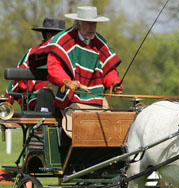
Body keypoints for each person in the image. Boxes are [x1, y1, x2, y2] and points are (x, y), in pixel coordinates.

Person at [29, 6, 123, 138]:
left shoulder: (100, 43)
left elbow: (108, 69)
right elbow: (54, 66)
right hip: (64, 89)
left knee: (109, 126)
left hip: (94, 93)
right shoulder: (63, 39)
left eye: (94, 23)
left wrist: (114, 83)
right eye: (88, 24)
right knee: (81, 124)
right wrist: (66, 81)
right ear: (78, 24)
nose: (92, 27)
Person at [4, 18, 66, 111]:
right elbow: (14, 84)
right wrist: (4, 108)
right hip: (37, 100)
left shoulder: (68, 54)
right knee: (45, 95)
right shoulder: (33, 54)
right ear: (49, 36)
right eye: (60, 36)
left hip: (64, 100)